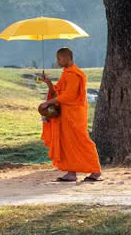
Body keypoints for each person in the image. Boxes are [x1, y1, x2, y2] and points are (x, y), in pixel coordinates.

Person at [39, 48, 102, 182]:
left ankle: (95, 171)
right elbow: (58, 92)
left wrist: (49, 102)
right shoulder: (66, 73)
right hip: (65, 114)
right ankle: (71, 173)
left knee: (81, 141)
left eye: (60, 59)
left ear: (68, 58)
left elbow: (69, 95)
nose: (58, 61)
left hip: (74, 114)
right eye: (57, 59)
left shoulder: (74, 74)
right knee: (67, 142)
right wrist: (49, 83)